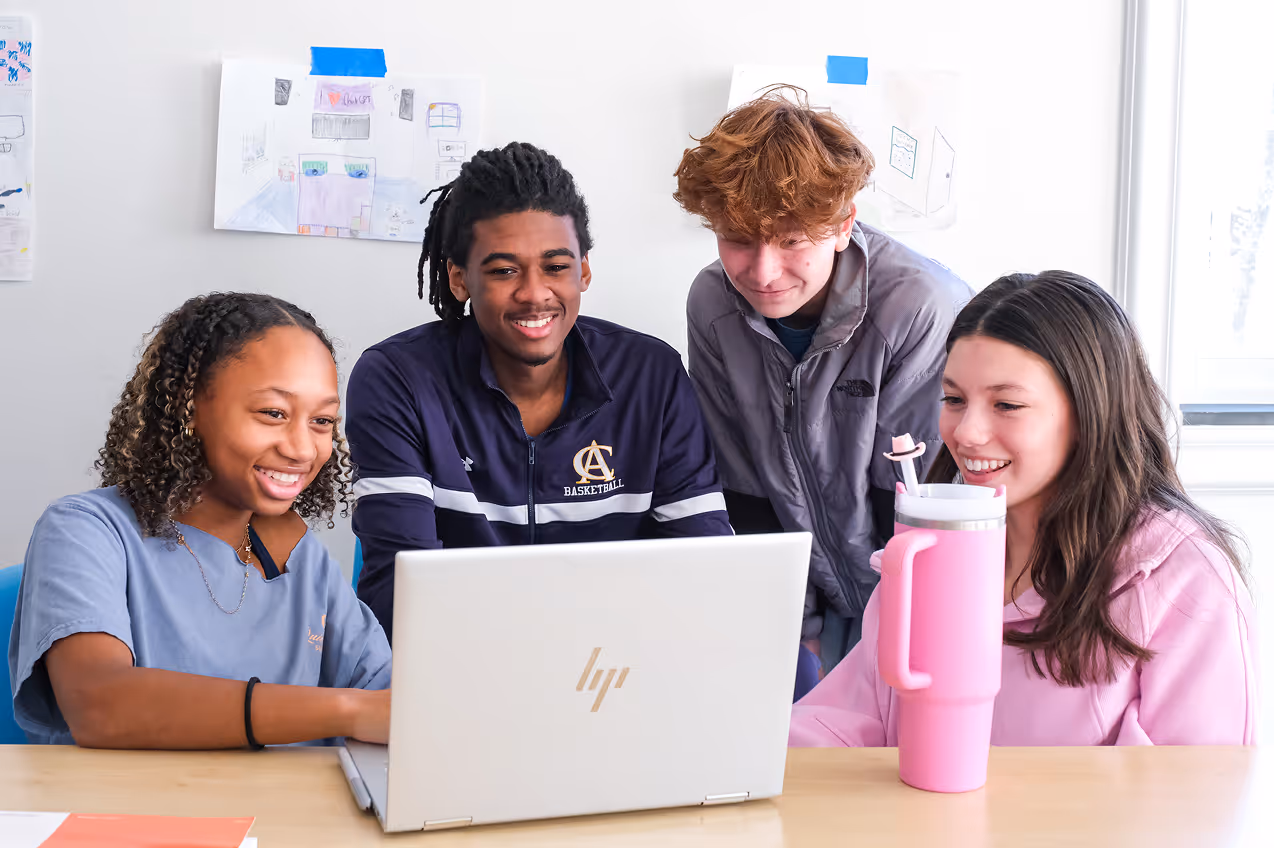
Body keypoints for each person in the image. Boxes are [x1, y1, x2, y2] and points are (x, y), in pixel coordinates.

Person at [790, 271, 1258, 746]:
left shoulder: (1184, 580)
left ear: (1088, 413)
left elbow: (1200, 797)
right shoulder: (927, 556)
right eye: (954, 399)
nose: (966, 432)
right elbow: (844, 719)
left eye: (1007, 405)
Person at [347, 142, 732, 641]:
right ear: (459, 279)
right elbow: (399, 596)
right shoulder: (397, 379)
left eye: (555, 267)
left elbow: (703, 567)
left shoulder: (650, 375)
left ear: (584, 271)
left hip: (616, 662)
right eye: (504, 270)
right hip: (461, 664)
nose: (534, 292)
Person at [674, 87, 972, 688]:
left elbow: (916, 494)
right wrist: (793, 629)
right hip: (802, 596)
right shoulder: (712, 303)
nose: (762, 272)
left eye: (791, 240)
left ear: (842, 226)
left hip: (919, 593)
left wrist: (897, 633)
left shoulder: (916, 306)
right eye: (737, 238)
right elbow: (739, 483)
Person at [9, 293, 391, 748]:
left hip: (291, 814)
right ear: (187, 408)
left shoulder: (298, 554)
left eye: (323, 421)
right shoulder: (87, 530)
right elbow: (100, 703)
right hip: (130, 813)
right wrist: (346, 711)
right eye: (273, 413)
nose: (303, 449)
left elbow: (388, 697)